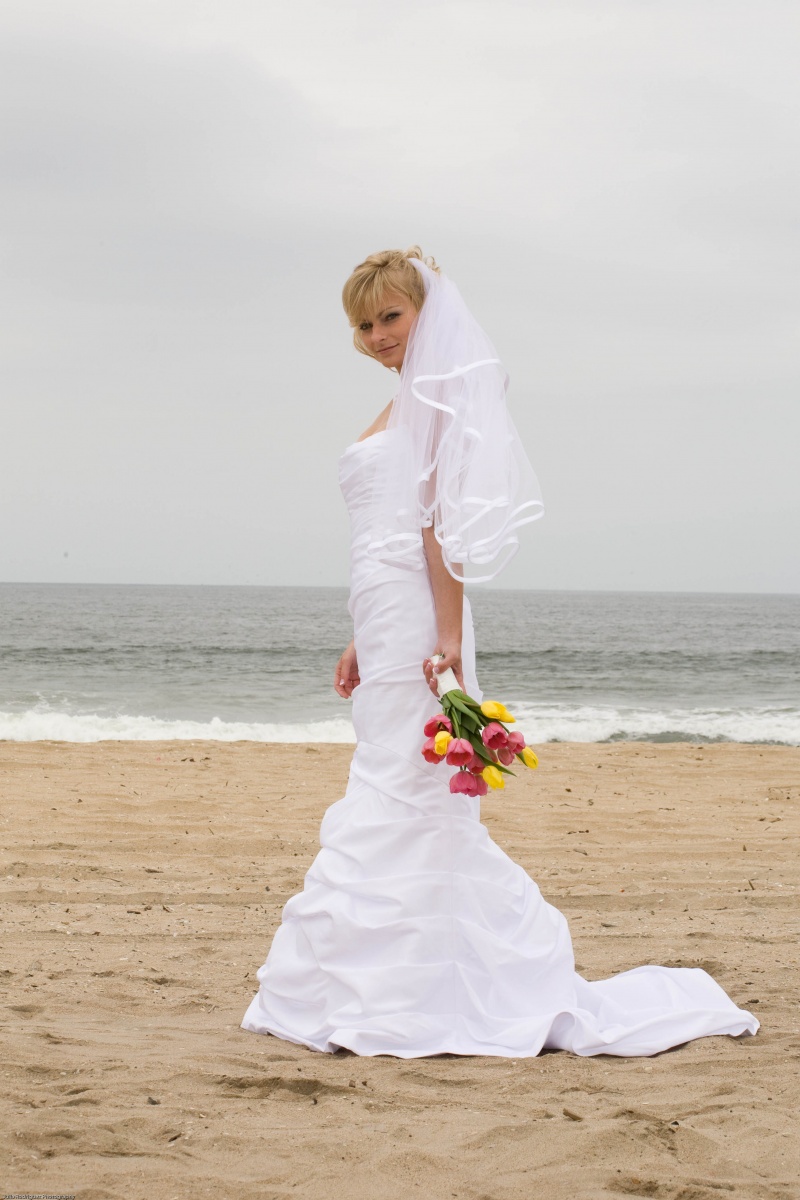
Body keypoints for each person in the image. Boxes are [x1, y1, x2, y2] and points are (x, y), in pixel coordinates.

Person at [241, 247, 758, 1057]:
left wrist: (445, 637)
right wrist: (358, 635)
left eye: (391, 316)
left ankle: (431, 987)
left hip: (420, 614)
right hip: (383, 611)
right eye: (365, 322)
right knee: (390, 776)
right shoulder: (401, 403)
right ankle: (403, 978)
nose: (377, 334)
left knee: (412, 788)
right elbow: (385, 530)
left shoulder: (443, 398)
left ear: (427, 313)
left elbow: (436, 526)